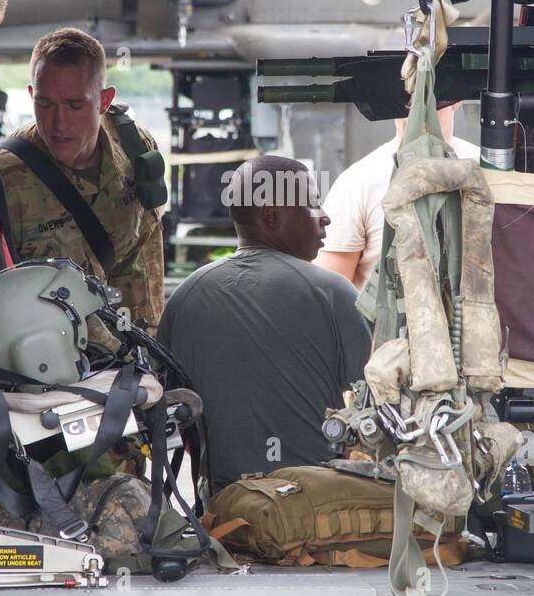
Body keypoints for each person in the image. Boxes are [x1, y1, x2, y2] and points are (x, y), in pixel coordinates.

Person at [158, 155, 373, 494]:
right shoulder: (331, 292)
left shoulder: (185, 297)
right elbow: (376, 408)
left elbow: (179, 419)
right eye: (313, 205)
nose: (326, 217)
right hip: (318, 509)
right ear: (272, 216)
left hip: (225, 510)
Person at [0, 27, 166, 331]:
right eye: (45, 104)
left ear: (104, 101)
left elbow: (146, 251)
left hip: (133, 349)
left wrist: (151, 350)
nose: (59, 123)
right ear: (31, 95)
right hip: (48, 364)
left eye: (75, 105)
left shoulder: (134, 146)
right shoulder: (0, 176)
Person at [315, 102, 479, 288]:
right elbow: (330, 293)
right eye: (407, 101)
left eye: (431, 99)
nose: (418, 112)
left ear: (456, 101)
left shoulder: (487, 173)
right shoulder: (359, 181)